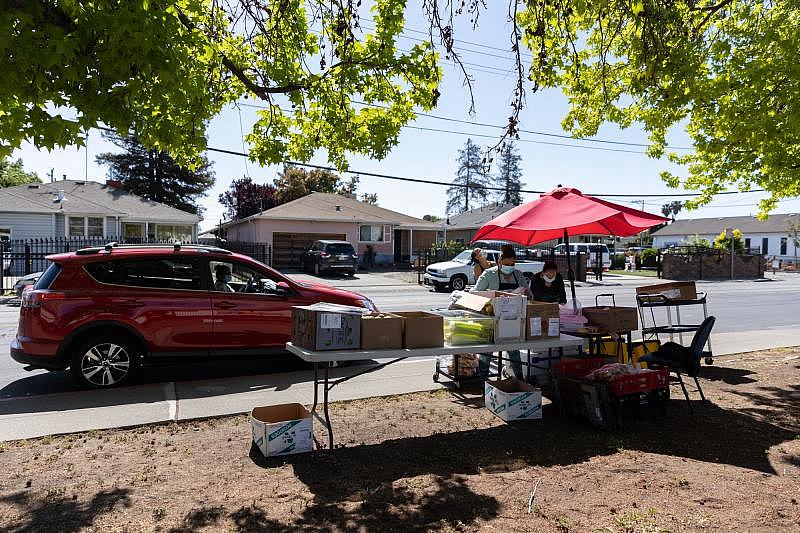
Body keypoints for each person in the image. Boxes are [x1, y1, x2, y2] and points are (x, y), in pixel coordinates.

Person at [473, 248, 532, 380]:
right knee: (487, 352)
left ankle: (520, 381)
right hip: (491, 320)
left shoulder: (518, 275)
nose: (510, 267)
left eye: (513, 264)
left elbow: (530, 295)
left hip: (513, 322)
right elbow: (475, 294)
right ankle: (482, 381)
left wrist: (526, 293)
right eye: (507, 264)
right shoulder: (488, 274)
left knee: (514, 352)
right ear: (499, 261)